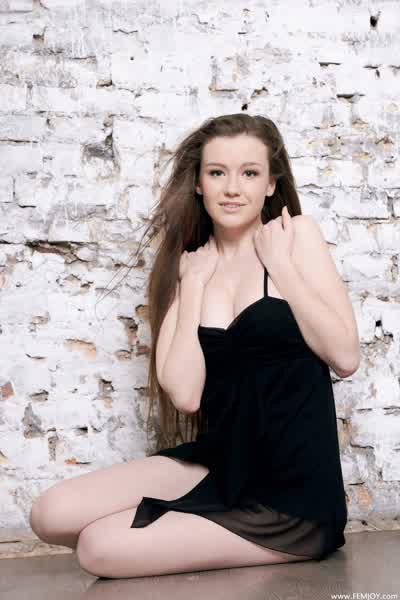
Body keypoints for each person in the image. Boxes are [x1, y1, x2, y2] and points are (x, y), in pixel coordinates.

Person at [29, 113, 360, 579]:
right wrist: (195, 285)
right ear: (200, 184)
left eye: (250, 173)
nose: (232, 188)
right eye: (217, 172)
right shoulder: (191, 264)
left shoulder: (296, 238)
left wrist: (281, 267)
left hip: (291, 496)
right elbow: (186, 394)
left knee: (97, 547)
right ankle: (168, 538)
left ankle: (164, 541)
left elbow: (346, 357)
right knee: (49, 513)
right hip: (221, 463)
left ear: (271, 184)